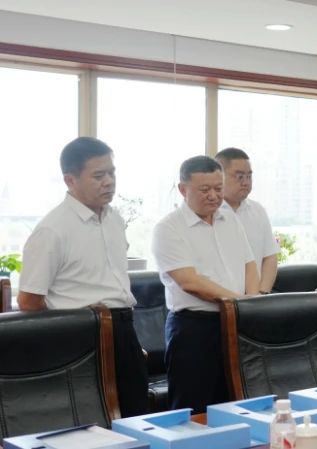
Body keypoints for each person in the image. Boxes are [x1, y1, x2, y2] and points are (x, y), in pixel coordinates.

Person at [17, 136, 148, 417]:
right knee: (95, 420)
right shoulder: (53, 230)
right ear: (70, 180)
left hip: (123, 327)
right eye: (99, 176)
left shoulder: (114, 219)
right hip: (80, 336)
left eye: (112, 173)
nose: (109, 182)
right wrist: (70, 327)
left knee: (135, 413)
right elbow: (29, 301)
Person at [152, 155, 259, 413]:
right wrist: (238, 302)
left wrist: (252, 304)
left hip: (236, 322)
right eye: (204, 189)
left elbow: (249, 265)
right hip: (194, 328)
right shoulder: (168, 228)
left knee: (235, 403)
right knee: (192, 409)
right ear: (183, 189)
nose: (213, 196)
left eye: (218, 188)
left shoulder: (230, 219)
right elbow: (190, 282)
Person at [215, 147, 280, 294]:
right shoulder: (210, 212)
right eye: (239, 177)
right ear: (219, 176)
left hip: (255, 299)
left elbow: (270, 257)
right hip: (218, 300)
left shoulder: (258, 211)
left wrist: (261, 294)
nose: (245, 182)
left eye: (249, 176)